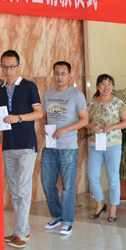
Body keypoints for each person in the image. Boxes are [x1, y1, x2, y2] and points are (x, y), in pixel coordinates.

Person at [0, 50, 42, 248]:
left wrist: (18, 118)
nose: (8, 71)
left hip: (27, 145)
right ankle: (23, 231)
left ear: (19, 66)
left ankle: (20, 233)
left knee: (23, 189)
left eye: (12, 66)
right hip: (8, 145)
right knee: (14, 191)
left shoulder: (29, 86)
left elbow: (38, 113)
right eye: (5, 67)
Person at [40, 61, 89, 235]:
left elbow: (84, 119)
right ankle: (56, 216)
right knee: (47, 183)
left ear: (69, 75)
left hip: (68, 147)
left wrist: (66, 129)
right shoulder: (48, 94)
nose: (59, 76)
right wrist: (42, 127)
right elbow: (43, 115)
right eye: (56, 73)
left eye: (63, 73)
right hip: (50, 146)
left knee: (68, 186)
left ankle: (67, 221)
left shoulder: (77, 95)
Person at [86, 74, 126, 222]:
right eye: (103, 84)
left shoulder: (118, 103)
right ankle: (100, 203)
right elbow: (85, 122)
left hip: (113, 144)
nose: (107, 87)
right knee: (92, 176)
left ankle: (113, 208)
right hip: (96, 145)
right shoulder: (91, 103)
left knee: (113, 178)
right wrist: (91, 126)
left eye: (110, 84)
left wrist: (112, 127)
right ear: (97, 86)